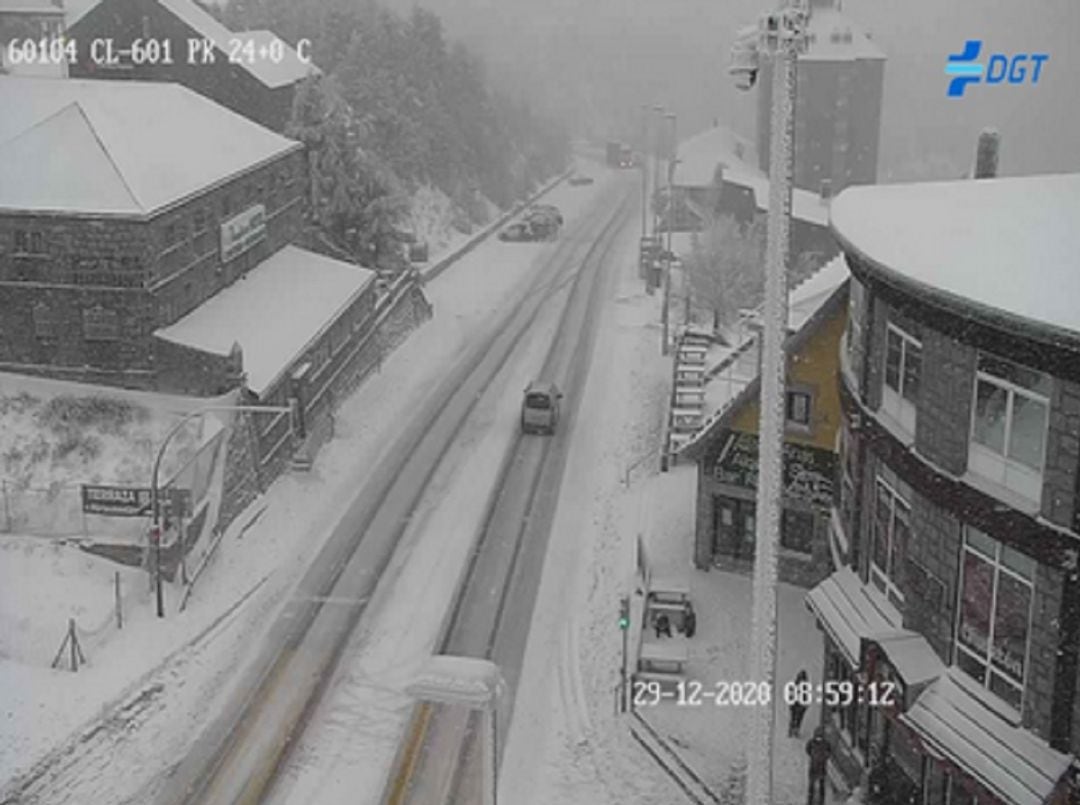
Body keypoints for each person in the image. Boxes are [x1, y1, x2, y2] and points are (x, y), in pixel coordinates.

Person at [806, 726, 832, 805]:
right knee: (812, 786)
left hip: (821, 767)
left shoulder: (826, 743)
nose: (818, 738)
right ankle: (810, 800)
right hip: (814, 767)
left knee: (821, 785)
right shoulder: (811, 742)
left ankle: (821, 801)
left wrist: (824, 756)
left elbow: (829, 752)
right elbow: (807, 750)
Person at [788, 669, 809, 737]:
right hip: (797, 704)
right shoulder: (803, 686)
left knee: (797, 717)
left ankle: (794, 730)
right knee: (795, 717)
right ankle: (793, 730)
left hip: (799, 704)